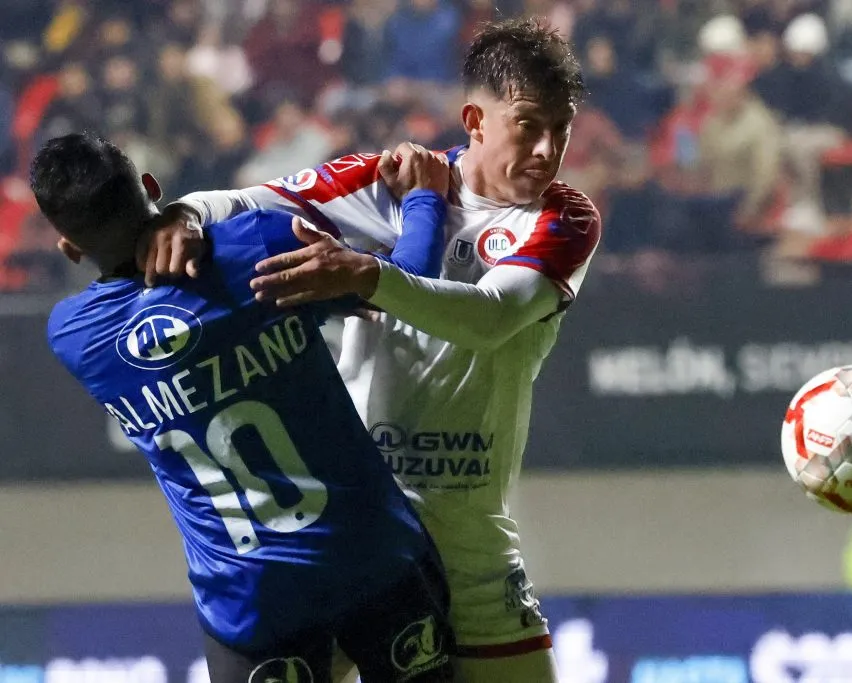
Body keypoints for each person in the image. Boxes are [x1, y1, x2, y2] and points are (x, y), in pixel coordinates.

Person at [128, 18, 602, 683]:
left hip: (469, 532)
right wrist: (184, 215)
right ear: (475, 118)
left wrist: (364, 273)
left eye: (562, 129)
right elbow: (247, 201)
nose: (548, 149)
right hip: (360, 526)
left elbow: (491, 318)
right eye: (529, 125)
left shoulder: (566, 219)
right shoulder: (383, 186)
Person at [36, 132, 456, 683]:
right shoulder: (260, 243)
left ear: (69, 245)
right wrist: (424, 198)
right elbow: (411, 290)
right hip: (371, 555)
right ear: (151, 186)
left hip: (251, 600)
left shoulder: (74, 337)